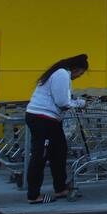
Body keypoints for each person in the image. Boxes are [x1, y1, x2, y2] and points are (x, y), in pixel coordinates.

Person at [25, 54, 89, 203]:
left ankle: (60, 187)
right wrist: (80, 103)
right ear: (77, 69)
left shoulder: (58, 73)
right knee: (40, 156)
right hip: (43, 119)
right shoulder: (62, 74)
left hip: (50, 120)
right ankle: (33, 195)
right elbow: (62, 102)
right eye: (81, 73)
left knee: (59, 152)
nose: (80, 76)